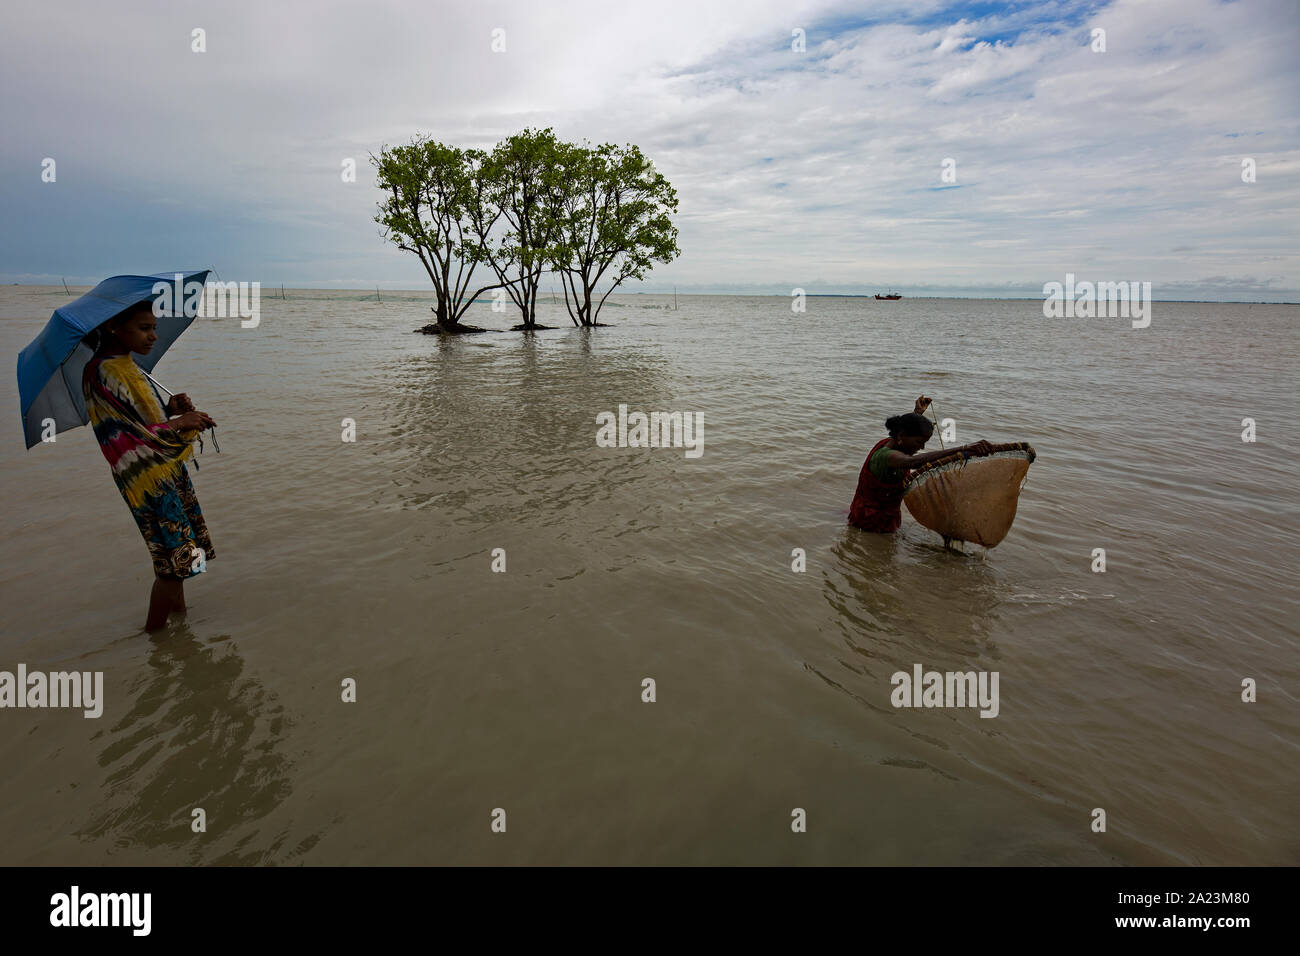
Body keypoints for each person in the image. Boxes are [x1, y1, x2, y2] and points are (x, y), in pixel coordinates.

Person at [81, 299, 217, 631]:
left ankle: (181, 624)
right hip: (145, 478)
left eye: (154, 327)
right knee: (171, 564)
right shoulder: (101, 373)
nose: (153, 336)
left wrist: (171, 409)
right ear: (114, 327)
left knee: (180, 556)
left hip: (165, 470)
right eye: (144, 328)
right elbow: (125, 438)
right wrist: (180, 422)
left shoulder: (128, 366)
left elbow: (145, 420)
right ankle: (154, 634)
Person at [848, 395, 993, 533]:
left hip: (884, 519)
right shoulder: (886, 456)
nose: (921, 448)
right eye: (919, 442)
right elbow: (913, 462)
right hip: (869, 523)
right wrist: (963, 449)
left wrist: (917, 414)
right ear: (900, 436)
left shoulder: (894, 441)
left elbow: (905, 431)